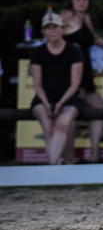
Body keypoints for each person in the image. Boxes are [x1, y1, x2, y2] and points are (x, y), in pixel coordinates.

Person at [60, 0, 103, 163]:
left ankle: (94, 154)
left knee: (100, 111)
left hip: (86, 69)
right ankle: (69, 157)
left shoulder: (86, 18)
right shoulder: (66, 16)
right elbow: (52, 36)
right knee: (71, 114)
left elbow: (95, 38)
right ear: (72, 1)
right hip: (71, 69)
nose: (82, 2)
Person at [30, 10, 85, 164]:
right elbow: (37, 84)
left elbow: (75, 83)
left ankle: (52, 167)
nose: (52, 30)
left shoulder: (73, 50)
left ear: (62, 29)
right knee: (48, 128)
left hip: (69, 97)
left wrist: (60, 103)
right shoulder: (38, 52)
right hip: (44, 97)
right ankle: (54, 165)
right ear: (43, 31)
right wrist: (47, 104)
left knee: (61, 126)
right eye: (48, 27)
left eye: (55, 27)